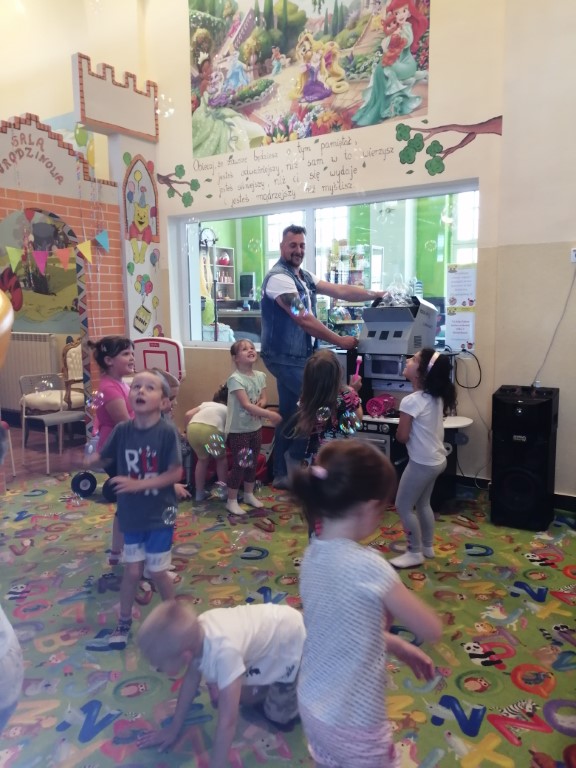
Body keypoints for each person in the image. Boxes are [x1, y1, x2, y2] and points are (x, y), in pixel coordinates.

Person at [290, 440, 442, 768]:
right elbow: (431, 628)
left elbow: (339, 627)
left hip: (312, 705)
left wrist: (396, 645)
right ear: (371, 508)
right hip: (355, 722)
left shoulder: (312, 555)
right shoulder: (370, 566)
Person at [260, 224, 386, 487]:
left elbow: (340, 291)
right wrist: (339, 340)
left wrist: (376, 294)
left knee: (290, 412)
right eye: (292, 245)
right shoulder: (278, 278)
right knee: (321, 402)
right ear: (281, 247)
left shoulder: (304, 277)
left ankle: (282, 474)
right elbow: (303, 317)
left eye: (302, 245)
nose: (298, 250)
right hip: (284, 358)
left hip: (301, 357)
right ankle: (298, 463)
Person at [136, 601, 305, 768]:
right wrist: (174, 728)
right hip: (270, 639)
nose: (156, 668)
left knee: (278, 717)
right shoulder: (196, 636)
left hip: (291, 643)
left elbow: (227, 721)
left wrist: (217, 763)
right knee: (237, 697)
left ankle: (305, 687)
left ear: (186, 656)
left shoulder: (224, 654)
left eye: (159, 665)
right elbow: (191, 680)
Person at [84, 369, 183, 649]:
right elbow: (104, 458)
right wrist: (86, 461)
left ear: (164, 402)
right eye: (136, 386)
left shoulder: (167, 432)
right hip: (131, 515)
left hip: (159, 515)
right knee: (131, 572)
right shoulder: (122, 430)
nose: (140, 390)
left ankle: (174, 618)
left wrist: (137, 484)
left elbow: (175, 473)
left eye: (150, 387)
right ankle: (124, 621)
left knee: (158, 572)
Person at [389, 348, 457, 568]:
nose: (408, 360)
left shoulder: (411, 401)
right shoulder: (435, 397)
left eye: (414, 359)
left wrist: (401, 430)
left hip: (422, 463)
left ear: (422, 373)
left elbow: (402, 437)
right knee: (423, 503)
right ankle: (427, 547)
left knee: (402, 506)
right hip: (437, 460)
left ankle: (414, 552)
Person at [287, 349, 363, 537]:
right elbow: (356, 422)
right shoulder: (349, 395)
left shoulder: (306, 399)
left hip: (316, 460)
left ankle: (315, 538)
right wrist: (354, 391)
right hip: (340, 460)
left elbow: (305, 427)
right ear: (338, 373)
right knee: (339, 502)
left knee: (316, 503)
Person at [88, 336, 135, 566]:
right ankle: (130, 552)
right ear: (109, 360)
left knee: (128, 502)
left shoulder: (121, 383)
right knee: (132, 502)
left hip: (124, 450)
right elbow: (125, 423)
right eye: (126, 354)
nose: (132, 357)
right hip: (116, 452)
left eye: (132, 353)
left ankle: (118, 551)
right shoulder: (109, 387)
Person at [225, 339, 282, 516]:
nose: (250, 350)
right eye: (244, 349)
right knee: (240, 464)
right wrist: (269, 414)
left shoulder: (260, 376)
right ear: (236, 358)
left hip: (255, 427)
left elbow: (263, 398)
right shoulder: (235, 379)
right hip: (239, 430)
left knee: (252, 463)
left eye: (251, 348)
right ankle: (231, 500)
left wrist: (262, 405)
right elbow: (246, 405)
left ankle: (248, 494)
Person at [352, 0, 429, 128]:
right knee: (379, 69)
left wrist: (396, 36)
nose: (400, 15)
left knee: (384, 67)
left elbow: (407, 42)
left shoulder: (407, 27)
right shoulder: (398, 29)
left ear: (409, 12)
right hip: (397, 62)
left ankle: (382, 106)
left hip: (407, 65)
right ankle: (376, 105)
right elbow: (385, 46)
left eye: (404, 11)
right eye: (397, 13)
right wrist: (393, 34)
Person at [185, 383, 229, 502]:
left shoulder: (206, 404)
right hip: (212, 430)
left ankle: (199, 493)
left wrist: (187, 433)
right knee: (221, 459)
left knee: (202, 460)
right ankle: (223, 491)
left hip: (193, 428)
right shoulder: (228, 409)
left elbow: (188, 414)